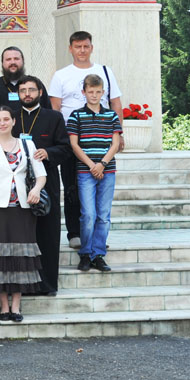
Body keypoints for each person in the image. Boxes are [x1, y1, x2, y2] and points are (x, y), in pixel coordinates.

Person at [49, 31, 122, 249]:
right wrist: (61, 138)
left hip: (100, 137)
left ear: (91, 47)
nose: (82, 50)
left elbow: (115, 102)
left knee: (99, 191)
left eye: (86, 46)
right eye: (78, 46)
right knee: (72, 187)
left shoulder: (105, 72)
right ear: (70, 48)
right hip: (72, 138)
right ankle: (75, 233)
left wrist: (121, 134)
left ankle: (97, 238)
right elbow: (55, 107)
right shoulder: (61, 75)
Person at [0, 108, 47, 323]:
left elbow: (41, 175)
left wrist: (35, 190)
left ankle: (16, 305)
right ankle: (3, 306)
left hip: (23, 210)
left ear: (14, 121)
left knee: (20, 257)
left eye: (6, 119)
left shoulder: (27, 144)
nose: (2, 123)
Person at [14, 76, 69, 292]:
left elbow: (65, 148)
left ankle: (46, 283)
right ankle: (24, 283)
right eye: (23, 90)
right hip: (17, 180)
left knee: (48, 232)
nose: (27, 94)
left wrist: (48, 152)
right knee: (22, 233)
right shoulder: (11, 117)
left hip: (47, 181)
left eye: (31, 90)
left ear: (40, 92)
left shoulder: (53, 117)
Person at [68, 75, 122, 274]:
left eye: (97, 92)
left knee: (103, 215)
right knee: (88, 214)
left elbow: (115, 143)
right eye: (90, 92)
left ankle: (98, 254)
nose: (94, 95)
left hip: (107, 170)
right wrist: (92, 165)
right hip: (86, 171)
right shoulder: (76, 115)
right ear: (84, 92)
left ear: (103, 93)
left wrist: (102, 164)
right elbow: (74, 144)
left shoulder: (111, 116)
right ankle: (85, 253)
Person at [0, 46, 48, 111]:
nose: (13, 62)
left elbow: (47, 111)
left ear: (23, 61)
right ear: (2, 63)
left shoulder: (35, 84)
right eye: (8, 59)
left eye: (16, 59)